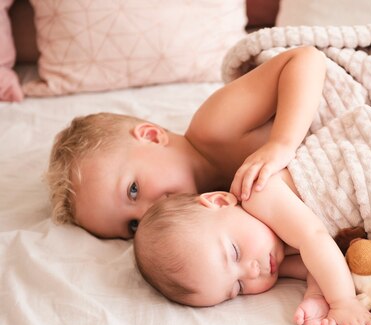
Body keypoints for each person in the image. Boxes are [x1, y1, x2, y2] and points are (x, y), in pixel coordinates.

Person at [46, 46, 327, 239]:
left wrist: (281, 143)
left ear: (151, 136)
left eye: (133, 190)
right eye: (132, 227)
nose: (147, 214)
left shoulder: (214, 127)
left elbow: (305, 59)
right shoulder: (221, 212)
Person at [134, 168, 371, 325]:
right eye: (238, 287)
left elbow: (315, 240)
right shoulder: (270, 259)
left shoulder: (259, 194)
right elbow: (315, 265)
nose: (252, 271)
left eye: (234, 252)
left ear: (219, 201)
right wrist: (316, 296)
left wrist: (343, 301)